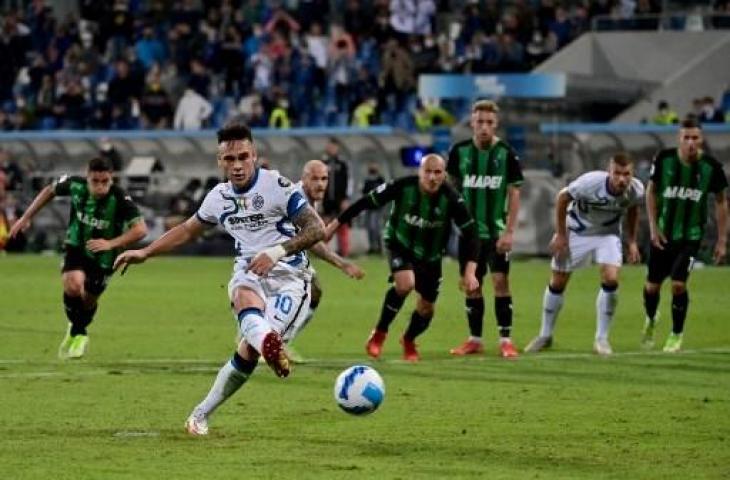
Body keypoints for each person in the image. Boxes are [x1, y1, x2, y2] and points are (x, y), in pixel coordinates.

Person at [113, 123, 325, 436]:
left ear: (254, 156)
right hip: (249, 272)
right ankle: (266, 343)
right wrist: (146, 253)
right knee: (241, 291)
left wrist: (277, 252)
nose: (237, 166)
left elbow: (317, 229)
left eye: (243, 157)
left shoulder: (277, 186)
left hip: (290, 279)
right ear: (220, 161)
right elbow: (186, 230)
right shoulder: (218, 197)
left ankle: (204, 409)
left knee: (248, 351)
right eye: (229, 159)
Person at [324, 154, 480, 362]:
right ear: (419, 172)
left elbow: (472, 234)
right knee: (405, 284)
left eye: (437, 172)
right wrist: (334, 226)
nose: (432, 177)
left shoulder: (451, 198)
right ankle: (379, 333)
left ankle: (408, 339)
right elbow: (365, 203)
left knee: (426, 308)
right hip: (399, 243)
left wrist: (470, 272)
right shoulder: (402, 186)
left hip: (431, 256)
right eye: (428, 172)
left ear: (444, 175)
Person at [9, 157, 147, 358]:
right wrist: (26, 217)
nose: (100, 187)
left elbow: (141, 230)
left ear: (112, 179)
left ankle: (76, 329)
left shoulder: (120, 198)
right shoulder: (75, 185)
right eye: (95, 181)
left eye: (105, 182)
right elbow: (49, 190)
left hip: (105, 256)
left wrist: (111, 243)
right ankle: (79, 333)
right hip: (76, 245)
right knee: (73, 285)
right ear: (87, 176)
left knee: (89, 299)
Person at [524, 153, 644, 355]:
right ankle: (545, 335)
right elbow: (562, 198)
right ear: (609, 171)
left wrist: (631, 241)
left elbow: (632, 210)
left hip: (608, 234)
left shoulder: (636, 190)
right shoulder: (590, 183)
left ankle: (601, 339)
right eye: (617, 173)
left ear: (632, 174)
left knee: (611, 278)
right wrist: (561, 235)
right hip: (577, 232)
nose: (622, 179)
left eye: (626, 174)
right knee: (558, 282)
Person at [642, 119, 728, 352]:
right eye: (686, 138)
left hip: (690, 237)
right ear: (679, 139)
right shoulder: (664, 159)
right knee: (651, 288)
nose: (691, 143)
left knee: (678, 285)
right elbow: (651, 191)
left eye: (695, 138)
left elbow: (721, 201)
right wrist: (653, 227)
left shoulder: (712, 167)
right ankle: (651, 318)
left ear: (701, 140)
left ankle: (676, 333)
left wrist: (722, 240)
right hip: (662, 235)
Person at [447, 100, 524, 358]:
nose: (483, 127)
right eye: (479, 122)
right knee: (472, 285)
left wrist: (509, 231)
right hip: (469, 235)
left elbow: (514, 194)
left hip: (496, 233)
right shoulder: (459, 152)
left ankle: (505, 340)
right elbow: (450, 189)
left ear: (496, 124)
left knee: (501, 282)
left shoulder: (507, 153)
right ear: (471, 122)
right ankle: (475, 339)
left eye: (489, 122)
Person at [285, 159, 365, 361]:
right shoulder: (298, 199)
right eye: (314, 178)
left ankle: (273, 340)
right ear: (304, 179)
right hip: (275, 255)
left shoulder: (308, 198)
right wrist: (342, 263)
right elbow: (312, 241)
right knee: (299, 295)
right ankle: (273, 343)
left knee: (314, 292)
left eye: (324, 178)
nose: (320, 184)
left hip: (287, 253)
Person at [322, 137, 351, 257]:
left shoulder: (343, 164)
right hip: (327, 200)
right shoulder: (323, 163)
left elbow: (349, 181)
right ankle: (324, 251)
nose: (331, 149)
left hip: (340, 200)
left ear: (337, 148)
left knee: (341, 225)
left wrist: (346, 198)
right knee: (325, 226)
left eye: (333, 147)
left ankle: (344, 251)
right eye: (329, 146)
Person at [361, 162, 387, 254]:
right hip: (369, 207)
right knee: (370, 228)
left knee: (375, 227)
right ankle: (372, 247)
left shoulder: (380, 179)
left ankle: (379, 247)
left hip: (378, 207)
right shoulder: (367, 180)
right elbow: (364, 192)